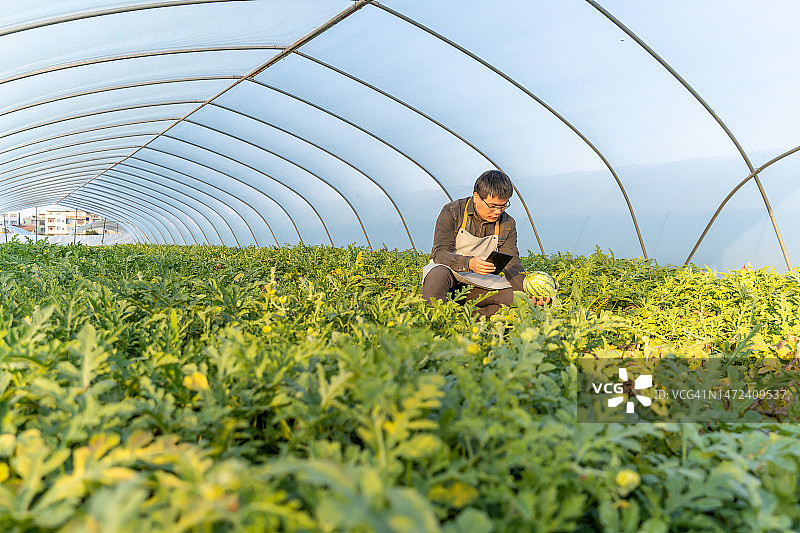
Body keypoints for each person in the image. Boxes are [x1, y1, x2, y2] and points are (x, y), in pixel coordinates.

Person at [422, 170, 549, 318]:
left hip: (477, 285)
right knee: (437, 276)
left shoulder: (507, 223)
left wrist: (530, 293)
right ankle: (437, 319)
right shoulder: (452, 211)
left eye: (503, 206)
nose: (498, 212)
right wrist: (469, 263)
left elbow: (512, 263)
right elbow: (439, 254)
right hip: (449, 277)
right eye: (493, 206)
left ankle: (469, 318)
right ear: (476, 197)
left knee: (516, 298)